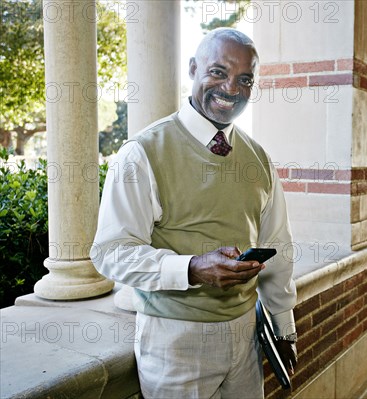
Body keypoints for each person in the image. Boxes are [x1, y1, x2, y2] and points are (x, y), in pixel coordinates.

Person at [91, 28, 297, 399]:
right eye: (218, 72)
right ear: (192, 69)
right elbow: (110, 253)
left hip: (246, 337)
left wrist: (284, 328)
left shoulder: (259, 159)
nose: (231, 89)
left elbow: (278, 247)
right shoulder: (141, 153)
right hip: (174, 343)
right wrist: (192, 268)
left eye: (245, 79)